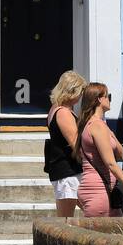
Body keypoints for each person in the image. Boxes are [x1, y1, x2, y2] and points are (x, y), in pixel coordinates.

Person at [73, 83, 123, 217]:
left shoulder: (100, 125)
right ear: (99, 99)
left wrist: (111, 134)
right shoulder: (96, 125)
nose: (109, 100)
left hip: (106, 192)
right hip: (98, 192)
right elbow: (111, 163)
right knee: (102, 236)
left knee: (118, 234)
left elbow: (121, 155)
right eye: (107, 96)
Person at [44, 70, 86, 217]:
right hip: (68, 172)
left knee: (88, 211)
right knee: (65, 220)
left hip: (66, 171)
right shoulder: (63, 112)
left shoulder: (56, 109)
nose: (81, 96)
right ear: (72, 91)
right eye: (80, 91)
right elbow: (75, 143)